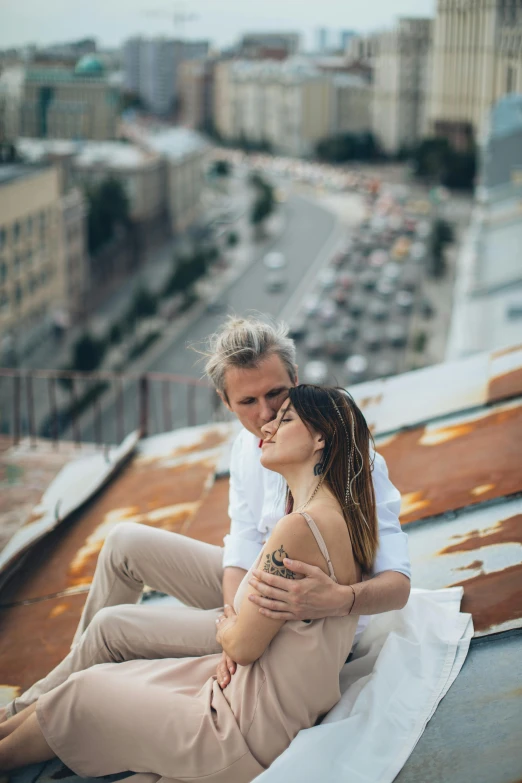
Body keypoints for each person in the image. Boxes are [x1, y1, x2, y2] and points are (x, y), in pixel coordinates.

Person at [0, 316, 410, 720]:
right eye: (247, 402)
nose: (265, 415)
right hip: (257, 594)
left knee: (112, 630)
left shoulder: (352, 461)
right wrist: (233, 620)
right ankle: (66, 682)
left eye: (276, 393)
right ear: (225, 402)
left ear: (297, 380)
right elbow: (243, 544)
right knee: (124, 542)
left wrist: (341, 600)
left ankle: (23, 714)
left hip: (303, 625)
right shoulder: (246, 450)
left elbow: (398, 584)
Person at [1, 385, 379, 781]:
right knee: (101, 680)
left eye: (285, 419)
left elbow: (243, 645)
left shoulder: (300, 527)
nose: (267, 427)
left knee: (81, 695)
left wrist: (229, 626)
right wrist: (238, 627)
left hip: (240, 732)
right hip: (260, 711)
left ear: (320, 436)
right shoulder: (339, 516)